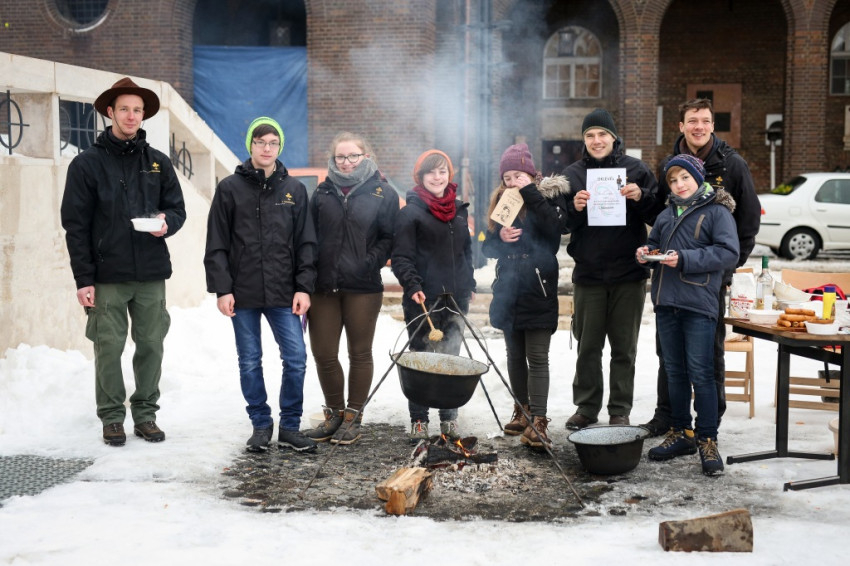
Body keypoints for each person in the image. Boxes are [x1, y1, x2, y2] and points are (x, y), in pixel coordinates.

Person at [61, 77, 186, 446]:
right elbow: (75, 226)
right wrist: (83, 278)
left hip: (150, 273)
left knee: (151, 345)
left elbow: (177, 210)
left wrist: (166, 223)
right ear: (110, 112)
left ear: (143, 115)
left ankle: (145, 415)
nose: (131, 116)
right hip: (107, 275)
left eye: (137, 110)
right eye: (124, 109)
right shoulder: (86, 164)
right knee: (108, 347)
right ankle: (112, 417)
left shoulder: (159, 162)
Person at [641, 98, 761, 437]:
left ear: (712, 125)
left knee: (708, 356)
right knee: (669, 356)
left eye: (705, 120)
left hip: (709, 281)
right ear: (681, 126)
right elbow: (663, 215)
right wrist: (649, 244)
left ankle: (710, 424)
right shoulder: (669, 165)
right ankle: (668, 417)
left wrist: (727, 270)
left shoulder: (732, 164)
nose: (699, 126)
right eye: (692, 120)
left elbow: (748, 221)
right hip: (670, 285)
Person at [204, 116, 318, 453]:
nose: (266, 148)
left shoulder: (294, 190)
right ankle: (260, 424)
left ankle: (290, 426)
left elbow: (306, 243)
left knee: (296, 358)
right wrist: (223, 289)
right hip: (243, 293)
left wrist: (303, 287)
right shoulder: (229, 188)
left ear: (279, 146)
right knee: (250, 360)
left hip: (284, 292)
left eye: (272, 143)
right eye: (260, 142)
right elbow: (216, 243)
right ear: (250, 145)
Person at [637, 154, 739, 475]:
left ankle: (707, 439)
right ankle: (681, 433)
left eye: (685, 178)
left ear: (698, 178)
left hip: (698, 304)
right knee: (674, 372)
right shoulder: (666, 214)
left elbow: (728, 253)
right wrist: (645, 253)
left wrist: (684, 259)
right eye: (673, 180)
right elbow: (655, 244)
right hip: (667, 303)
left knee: (702, 373)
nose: (679, 185)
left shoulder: (717, 212)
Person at [563, 109, 659, 430]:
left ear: (614, 138)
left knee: (624, 348)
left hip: (629, 274)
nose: (596, 140)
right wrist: (574, 208)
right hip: (589, 274)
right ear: (584, 140)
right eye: (590, 135)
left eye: (602, 134)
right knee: (588, 346)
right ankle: (586, 407)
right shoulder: (573, 174)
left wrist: (641, 196)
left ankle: (620, 408)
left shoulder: (636, 169)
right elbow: (561, 223)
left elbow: (658, 213)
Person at [302, 132, 399, 446]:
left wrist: (369, 262)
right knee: (324, 353)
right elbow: (309, 236)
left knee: (359, 353)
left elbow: (389, 237)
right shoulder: (323, 192)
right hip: (324, 286)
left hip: (363, 286)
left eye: (352, 156)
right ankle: (334, 415)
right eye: (340, 157)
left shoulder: (383, 192)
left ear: (365, 157)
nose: (346, 162)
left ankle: (353, 418)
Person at [482, 143, 569, 451]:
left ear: (531, 175)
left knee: (538, 356)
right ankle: (522, 410)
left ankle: (539, 419)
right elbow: (487, 248)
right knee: (514, 355)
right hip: (509, 289)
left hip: (538, 287)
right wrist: (500, 237)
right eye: (507, 177)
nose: (512, 182)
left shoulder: (548, 198)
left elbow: (555, 231)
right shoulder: (501, 201)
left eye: (518, 175)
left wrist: (530, 192)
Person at [392, 150, 476, 444]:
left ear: (449, 175)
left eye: (442, 172)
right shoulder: (410, 213)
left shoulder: (459, 211)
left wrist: (469, 282)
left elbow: (466, 252)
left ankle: (449, 418)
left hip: (455, 298)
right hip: (423, 299)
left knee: (451, 358)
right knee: (422, 359)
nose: (437, 177)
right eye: (431, 172)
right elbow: (401, 257)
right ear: (420, 176)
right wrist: (412, 285)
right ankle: (419, 419)